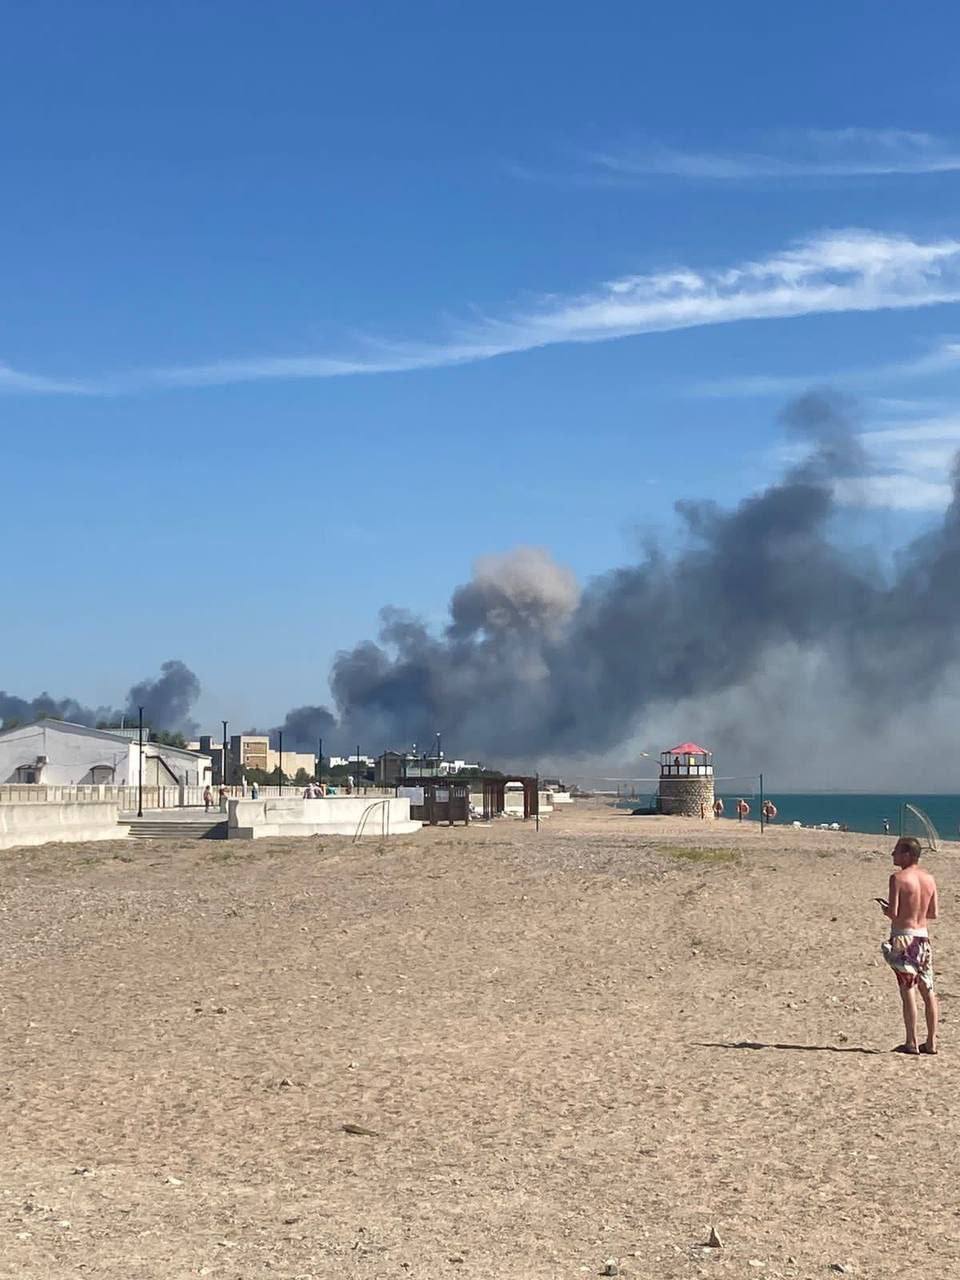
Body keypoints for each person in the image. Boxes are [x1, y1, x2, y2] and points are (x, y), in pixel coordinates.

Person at [878, 836, 939, 1055]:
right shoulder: (929, 879)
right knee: (928, 990)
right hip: (923, 938)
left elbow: (894, 913)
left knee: (908, 990)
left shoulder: (898, 878)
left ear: (907, 854)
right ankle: (931, 1041)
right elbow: (933, 913)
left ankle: (911, 1041)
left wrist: (887, 911)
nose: (893, 855)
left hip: (904, 937)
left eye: (896, 851)